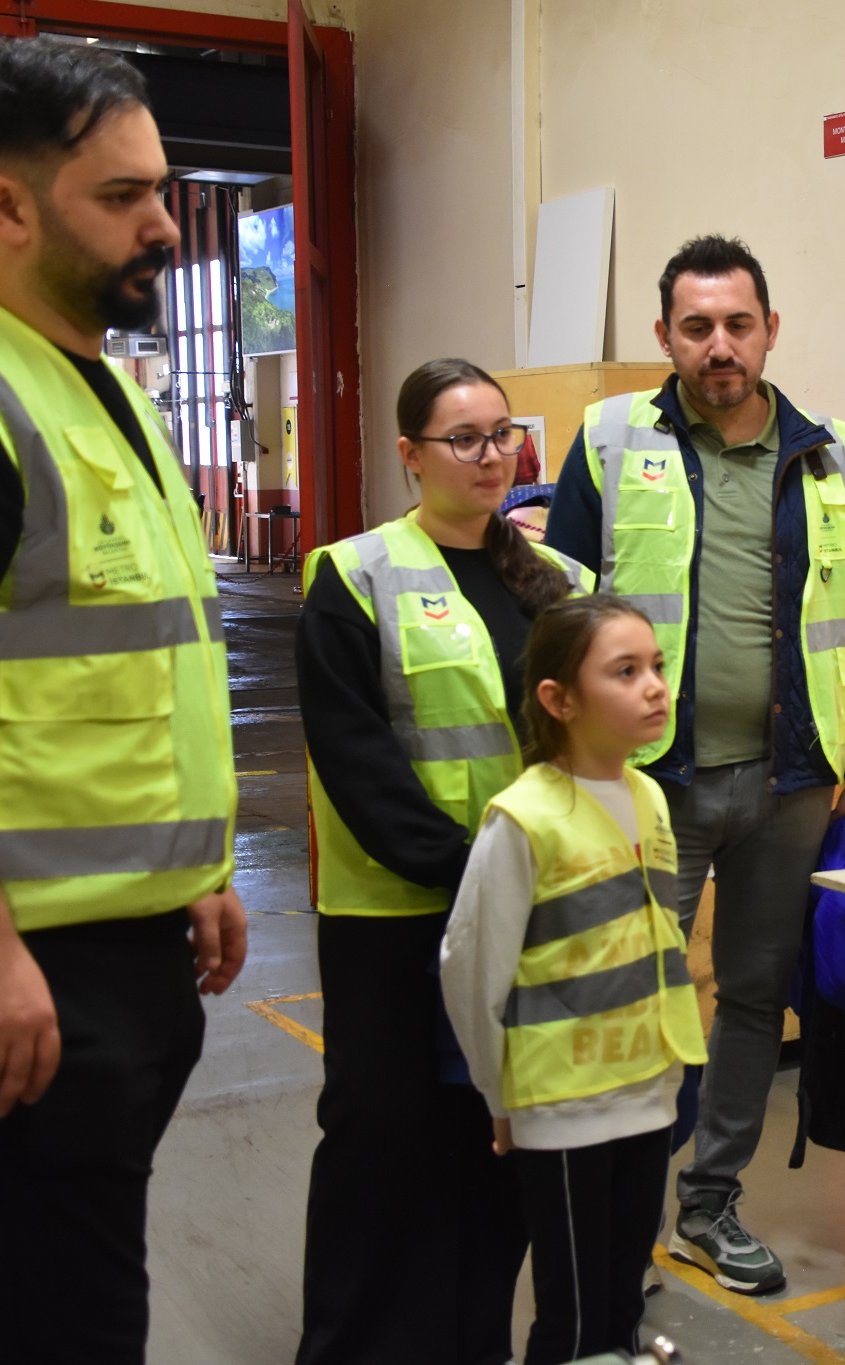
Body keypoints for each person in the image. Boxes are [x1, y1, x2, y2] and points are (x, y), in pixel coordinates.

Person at [0, 36, 246, 1362]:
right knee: (47, 1331)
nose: (163, 225)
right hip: (0, 976)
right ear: (6, 207)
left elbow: (121, 670)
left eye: (160, 189)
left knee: (66, 1315)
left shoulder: (96, 390)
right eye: (122, 197)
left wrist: (192, 866)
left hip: (109, 952)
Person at [545, 235, 845, 1294]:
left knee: (751, 995)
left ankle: (709, 1202)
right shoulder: (613, 439)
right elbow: (558, 611)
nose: (719, 346)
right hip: (651, 780)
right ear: (665, 335)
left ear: (769, 329)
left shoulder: (823, 453)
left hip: (792, 780)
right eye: (696, 327)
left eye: (738, 324)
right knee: (629, 996)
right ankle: (616, 1217)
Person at [293, 359, 593, 1365]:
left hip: (524, 915)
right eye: (463, 438)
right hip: (394, 917)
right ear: (410, 455)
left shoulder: (562, 585)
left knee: (494, 1139)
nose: (490, 454)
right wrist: (471, 869)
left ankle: (471, 1342)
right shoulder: (354, 575)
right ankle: (347, 1347)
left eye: (503, 434)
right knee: (380, 1140)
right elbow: (356, 758)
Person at [440, 594, 708, 1364]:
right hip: (563, 1104)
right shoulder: (524, 819)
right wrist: (499, 1096)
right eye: (625, 671)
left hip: (647, 1091)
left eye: (656, 665)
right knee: (576, 1317)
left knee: (623, 1299)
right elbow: (472, 969)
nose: (654, 685)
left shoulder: (649, 797)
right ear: (559, 700)